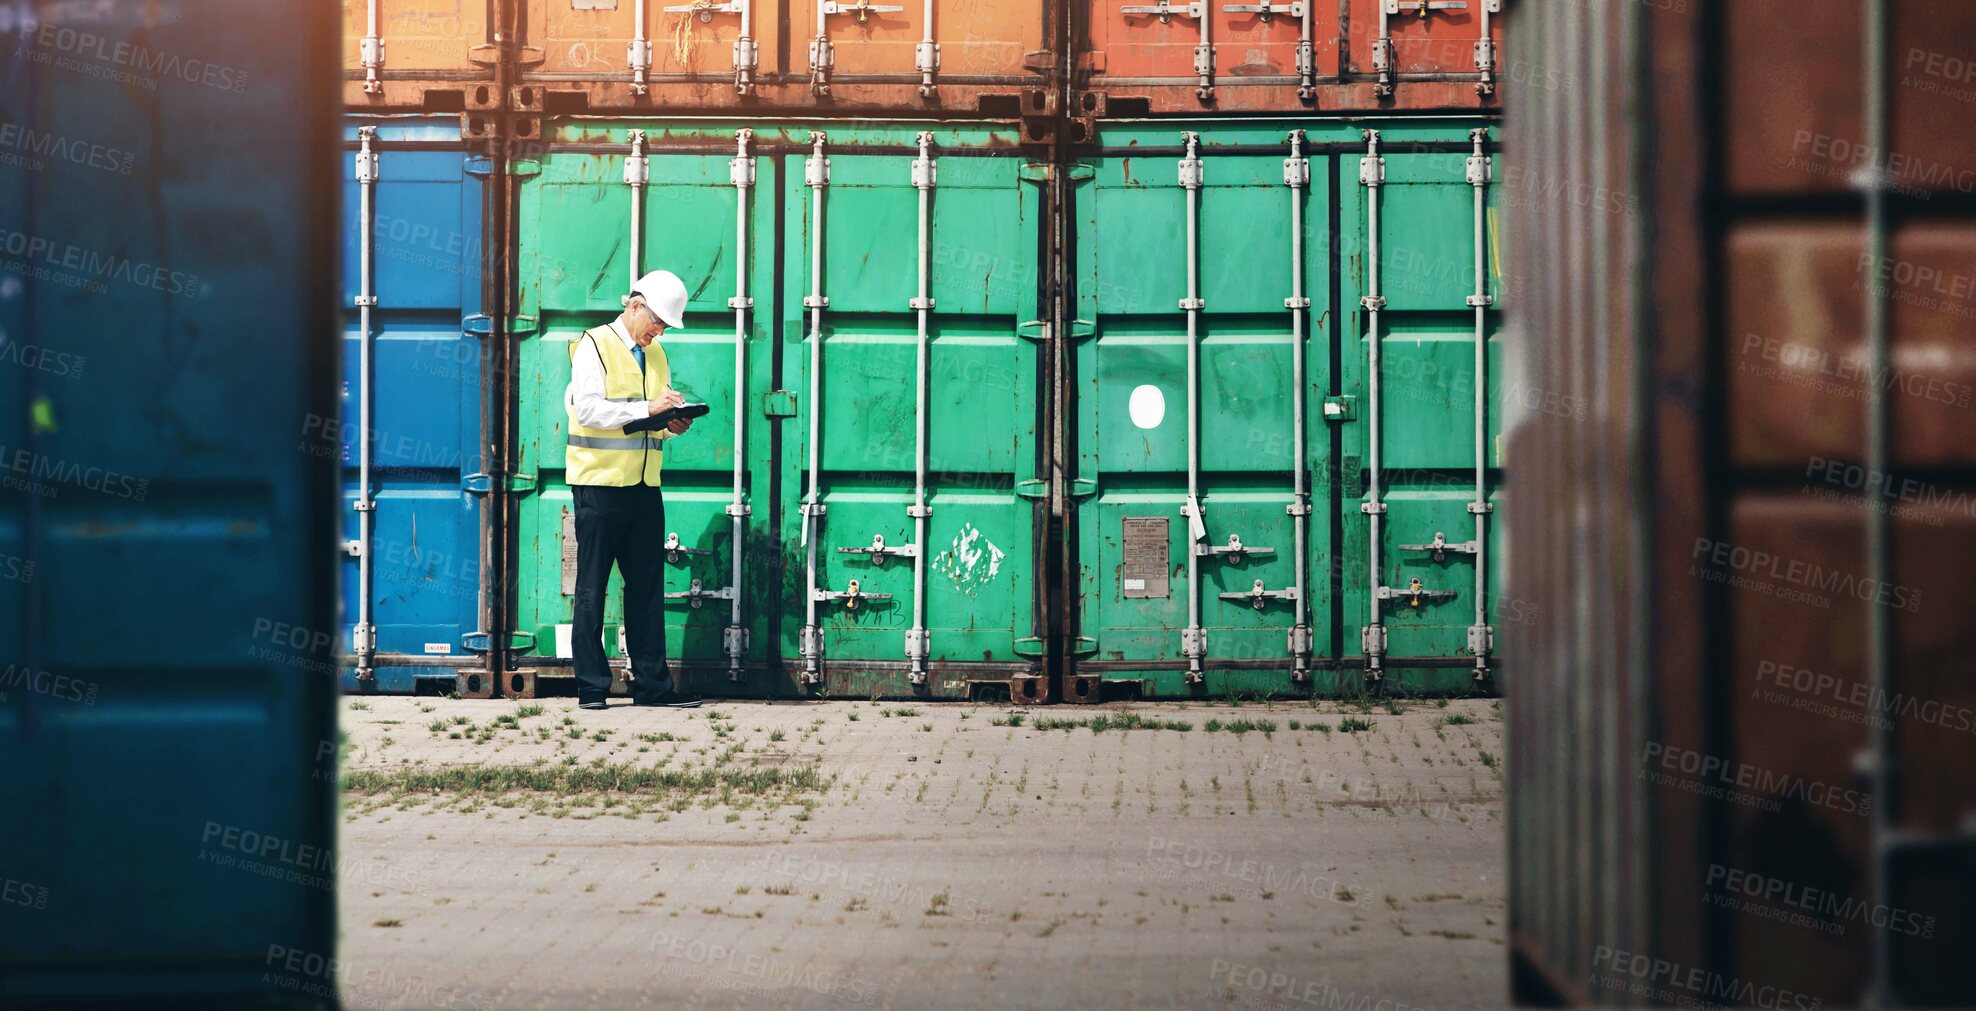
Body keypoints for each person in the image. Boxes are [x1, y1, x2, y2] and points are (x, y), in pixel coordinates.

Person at [564, 269, 702, 710]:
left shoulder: (656, 354)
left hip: (644, 487)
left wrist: (672, 424)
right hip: (599, 486)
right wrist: (648, 408)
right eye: (657, 321)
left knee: (646, 589)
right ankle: (591, 687)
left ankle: (653, 688)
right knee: (591, 589)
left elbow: (648, 423)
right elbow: (586, 410)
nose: (658, 331)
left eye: (664, 326)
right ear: (635, 304)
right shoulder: (594, 345)